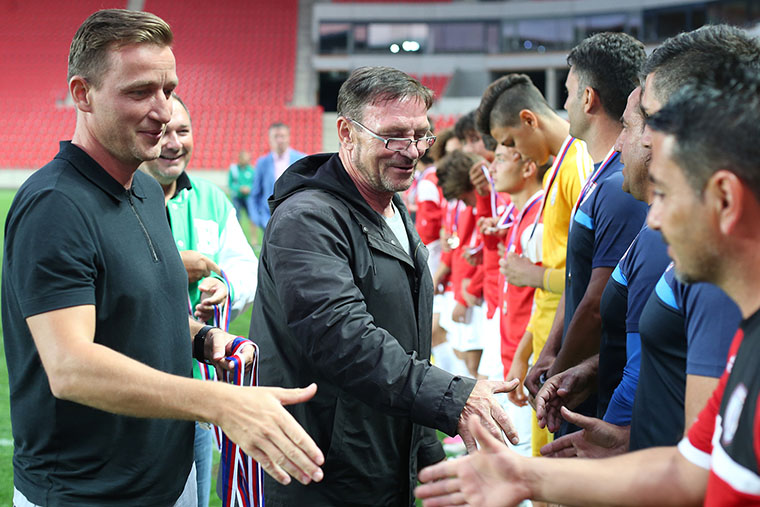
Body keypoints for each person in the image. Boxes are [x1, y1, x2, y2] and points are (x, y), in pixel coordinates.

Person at [1, 9, 323, 507]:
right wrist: (221, 403)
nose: (164, 111)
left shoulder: (147, 193)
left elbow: (145, 314)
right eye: (139, 92)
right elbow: (70, 365)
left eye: (168, 90)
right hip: (86, 494)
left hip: (169, 479)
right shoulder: (55, 204)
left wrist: (204, 338)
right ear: (83, 94)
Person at [415, 50, 760, 507]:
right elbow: (691, 469)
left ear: (724, 199)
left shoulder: (719, 304)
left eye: (665, 192)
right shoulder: (743, 340)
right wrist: (527, 475)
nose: (652, 219)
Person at [252, 66, 519, 506]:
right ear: (346, 132)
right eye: (394, 135)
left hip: (382, 456)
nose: (411, 151)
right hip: (322, 468)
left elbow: (408, 344)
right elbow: (341, 337)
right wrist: (454, 397)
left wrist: (428, 459)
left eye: (421, 135)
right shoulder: (308, 219)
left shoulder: (393, 208)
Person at [139, 93, 259, 507]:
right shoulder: (120, 199)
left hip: (196, 389)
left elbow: (248, 269)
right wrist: (175, 267)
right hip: (133, 385)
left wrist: (226, 284)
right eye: (164, 131)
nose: (174, 143)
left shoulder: (212, 200)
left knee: (193, 497)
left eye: (183, 131)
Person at [530, 33, 648, 437]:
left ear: (587, 98)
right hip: (580, 368)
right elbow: (576, 281)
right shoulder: (601, 177)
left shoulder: (619, 187)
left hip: (597, 386)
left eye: (567, 93)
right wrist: (552, 351)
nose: (563, 105)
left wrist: (561, 371)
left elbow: (599, 302)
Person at [476, 72, 594, 455]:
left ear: (529, 120)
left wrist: (535, 275)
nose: (515, 153)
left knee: (554, 470)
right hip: (549, 346)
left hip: (565, 351)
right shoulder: (560, 167)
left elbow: (591, 277)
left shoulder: (578, 164)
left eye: (510, 142)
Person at [249, 122, 305, 230]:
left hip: (295, 219)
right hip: (268, 221)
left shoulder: (301, 160)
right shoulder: (262, 163)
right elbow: (255, 193)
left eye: (282, 136)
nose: (279, 140)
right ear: (270, 139)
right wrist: (257, 218)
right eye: (276, 136)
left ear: (288, 138)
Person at [227, 150, 257, 238]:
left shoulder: (251, 170)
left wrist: (249, 188)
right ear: (240, 159)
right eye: (245, 158)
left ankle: (254, 241)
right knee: (237, 219)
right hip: (237, 197)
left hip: (248, 198)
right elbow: (230, 184)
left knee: (252, 218)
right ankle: (238, 238)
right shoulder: (234, 170)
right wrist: (239, 188)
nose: (247, 160)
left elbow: (255, 184)